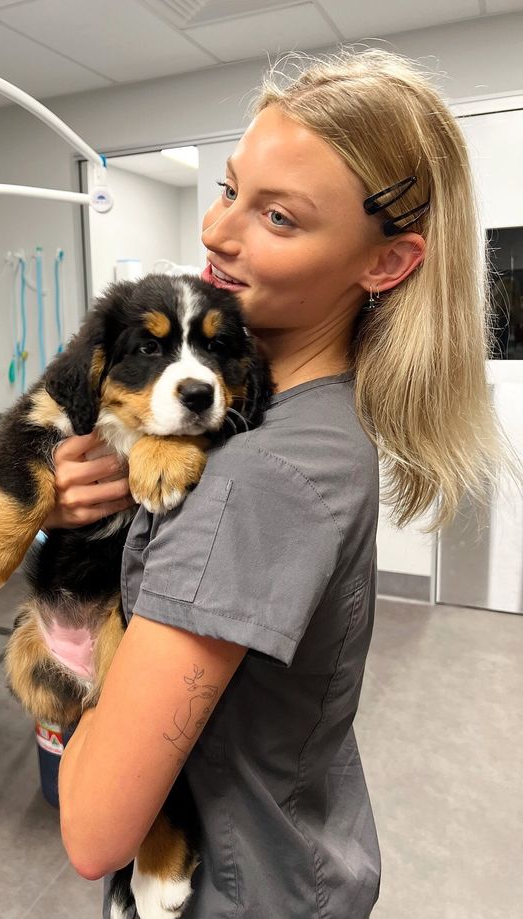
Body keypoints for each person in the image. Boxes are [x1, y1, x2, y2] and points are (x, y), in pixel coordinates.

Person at [49, 49, 510, 918]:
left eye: (280, 218)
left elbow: (94, 826)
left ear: (385, 264)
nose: (217, 234)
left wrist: (66, 641)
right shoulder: (300, 415)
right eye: (229, 190)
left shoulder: (259, 478)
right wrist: (109, 511)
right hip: (298, 849)